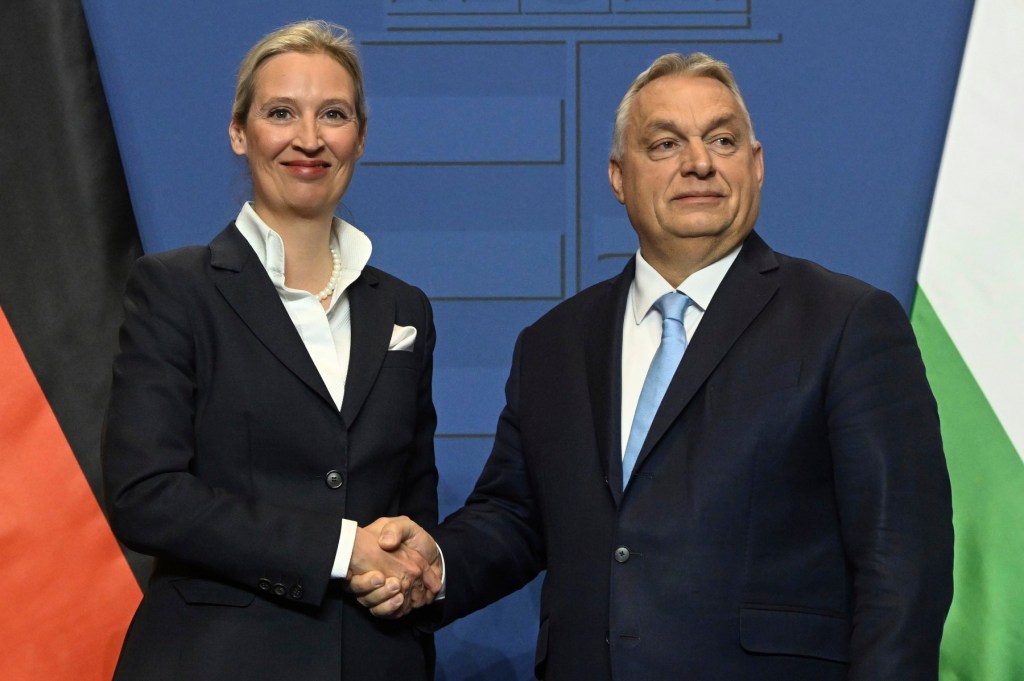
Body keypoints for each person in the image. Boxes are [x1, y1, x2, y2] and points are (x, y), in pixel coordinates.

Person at [354, 52, 954, 680]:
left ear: (756, 164)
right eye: (666, 144)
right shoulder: (554, 344)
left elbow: (903, 561)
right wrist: (437, 562)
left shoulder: (846, 322)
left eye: (723, 140)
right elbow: (516, 516)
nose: (700, 162)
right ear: (619, 177)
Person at [102, 20, 440, 681]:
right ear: (240, 132)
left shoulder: (406, 309)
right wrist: (340, 548)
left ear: (360, 137)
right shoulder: (176, 289)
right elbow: (146, 494)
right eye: (281, 112)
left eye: (333, 114)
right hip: (216, 658)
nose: (309, 138)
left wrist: (415, 560)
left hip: (376, 659)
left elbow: (412, 503)